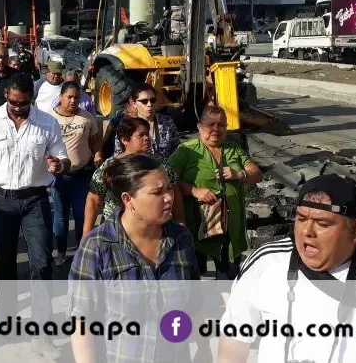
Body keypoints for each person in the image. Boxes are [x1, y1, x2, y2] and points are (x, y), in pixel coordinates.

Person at [219, 174, 356, 363]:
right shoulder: (266, 262)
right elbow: (234, 341)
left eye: (323, 223)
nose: (307, 232)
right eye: (301, 219)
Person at [0, 73, 69, 358]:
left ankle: (41, 330)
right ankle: (8, 318)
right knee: (5, 263)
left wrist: (59, 165)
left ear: (31, 98)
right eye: (13, 102)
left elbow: (63, 157)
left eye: (24, 103)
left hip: (35, 201)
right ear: (6, 94)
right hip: (0, 202)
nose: (19, 107)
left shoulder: (47, 123)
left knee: (42, 263)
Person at [69, 155, 200, 363]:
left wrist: (202, 348)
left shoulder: (181, 238)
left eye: (169, 188)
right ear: (128, 199)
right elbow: (82, 323)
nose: (169, 197)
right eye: (157, 192)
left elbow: (192, 304)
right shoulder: (97, 246)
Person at [168, 104, 263, 279]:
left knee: (228, 277)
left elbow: (257, 174)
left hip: (229, 226)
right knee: (194, 276)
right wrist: (194, 190)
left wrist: (239, 173)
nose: (216, 129)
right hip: (197, 225)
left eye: (221, 125)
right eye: (210, 124)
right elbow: (167, 178)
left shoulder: (233, 148)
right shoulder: (186, 150)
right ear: (199, 126)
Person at [84, 117, 182, 236]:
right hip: (117, 232)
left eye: (147, 134)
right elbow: (94, 200)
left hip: (154, 231)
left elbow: (175, 192)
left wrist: (180, 223)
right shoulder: (110, 167)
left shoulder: (160, 165)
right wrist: (87, 235)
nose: (147, 138)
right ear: (125, 139)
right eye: (141, 135)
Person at [48, 81, 102, 265]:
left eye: (76, 97)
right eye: (69, 97)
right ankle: (61, 252)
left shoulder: (87, 118)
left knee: (81, 215)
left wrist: (98, 155)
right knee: (61, 216)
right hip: (59, 176)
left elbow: (96, 141)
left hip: (82, 174)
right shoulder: (49, 118)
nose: (73, 100)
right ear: (61, 97)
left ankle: (81, 251)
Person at [104, 83, 181, 161]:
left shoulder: (167, 122)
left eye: (153, 100)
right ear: (134, 104)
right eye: (144, 101)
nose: (149, 104)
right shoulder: (127, 126)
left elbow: (177, 150)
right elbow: (119, 157)